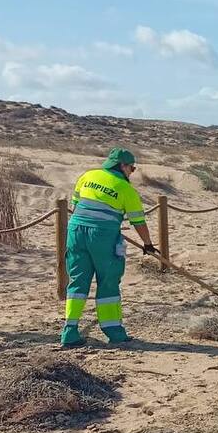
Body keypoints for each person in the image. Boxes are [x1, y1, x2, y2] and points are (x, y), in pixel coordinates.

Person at [62, 147, 157, 347]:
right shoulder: (125, 188)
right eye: (132, 168)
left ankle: (69, 332)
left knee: (78, 282)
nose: (132, 171)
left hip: (75, 232)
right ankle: (114, 332)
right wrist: (148, 244)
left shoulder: (87, 176)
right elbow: (138, 222)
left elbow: (76, 203)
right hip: (103, 237)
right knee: (108, 281)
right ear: (122, 166)